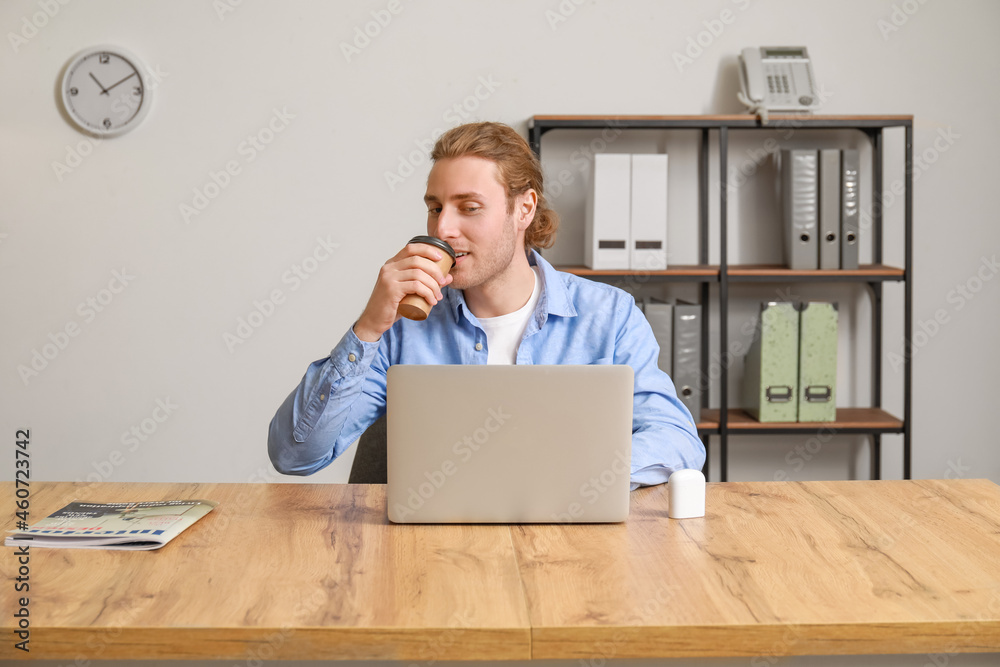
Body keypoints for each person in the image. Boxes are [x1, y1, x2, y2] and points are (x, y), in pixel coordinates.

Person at [267, 121, 705, 488]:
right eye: (435, 208)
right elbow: (295, 454)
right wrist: (367, 328)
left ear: (524, 209)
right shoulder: (402, 326)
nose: (444, 228)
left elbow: (677, 439)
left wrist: (569, 475)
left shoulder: (608, 316)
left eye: (469, 207)